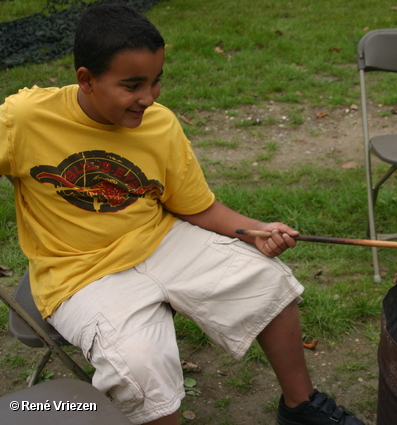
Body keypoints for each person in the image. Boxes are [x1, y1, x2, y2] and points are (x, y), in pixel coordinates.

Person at [0, 3, 364, 425]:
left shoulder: (160, 125)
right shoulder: (25, 119)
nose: (148, 98)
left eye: (156, 82)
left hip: (162, 240)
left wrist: (255, 230)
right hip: (80, 273)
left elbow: (197, 206)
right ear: (87, 79)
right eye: (132, 85)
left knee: (267, 283)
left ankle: (301, 406)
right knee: (139, 366)